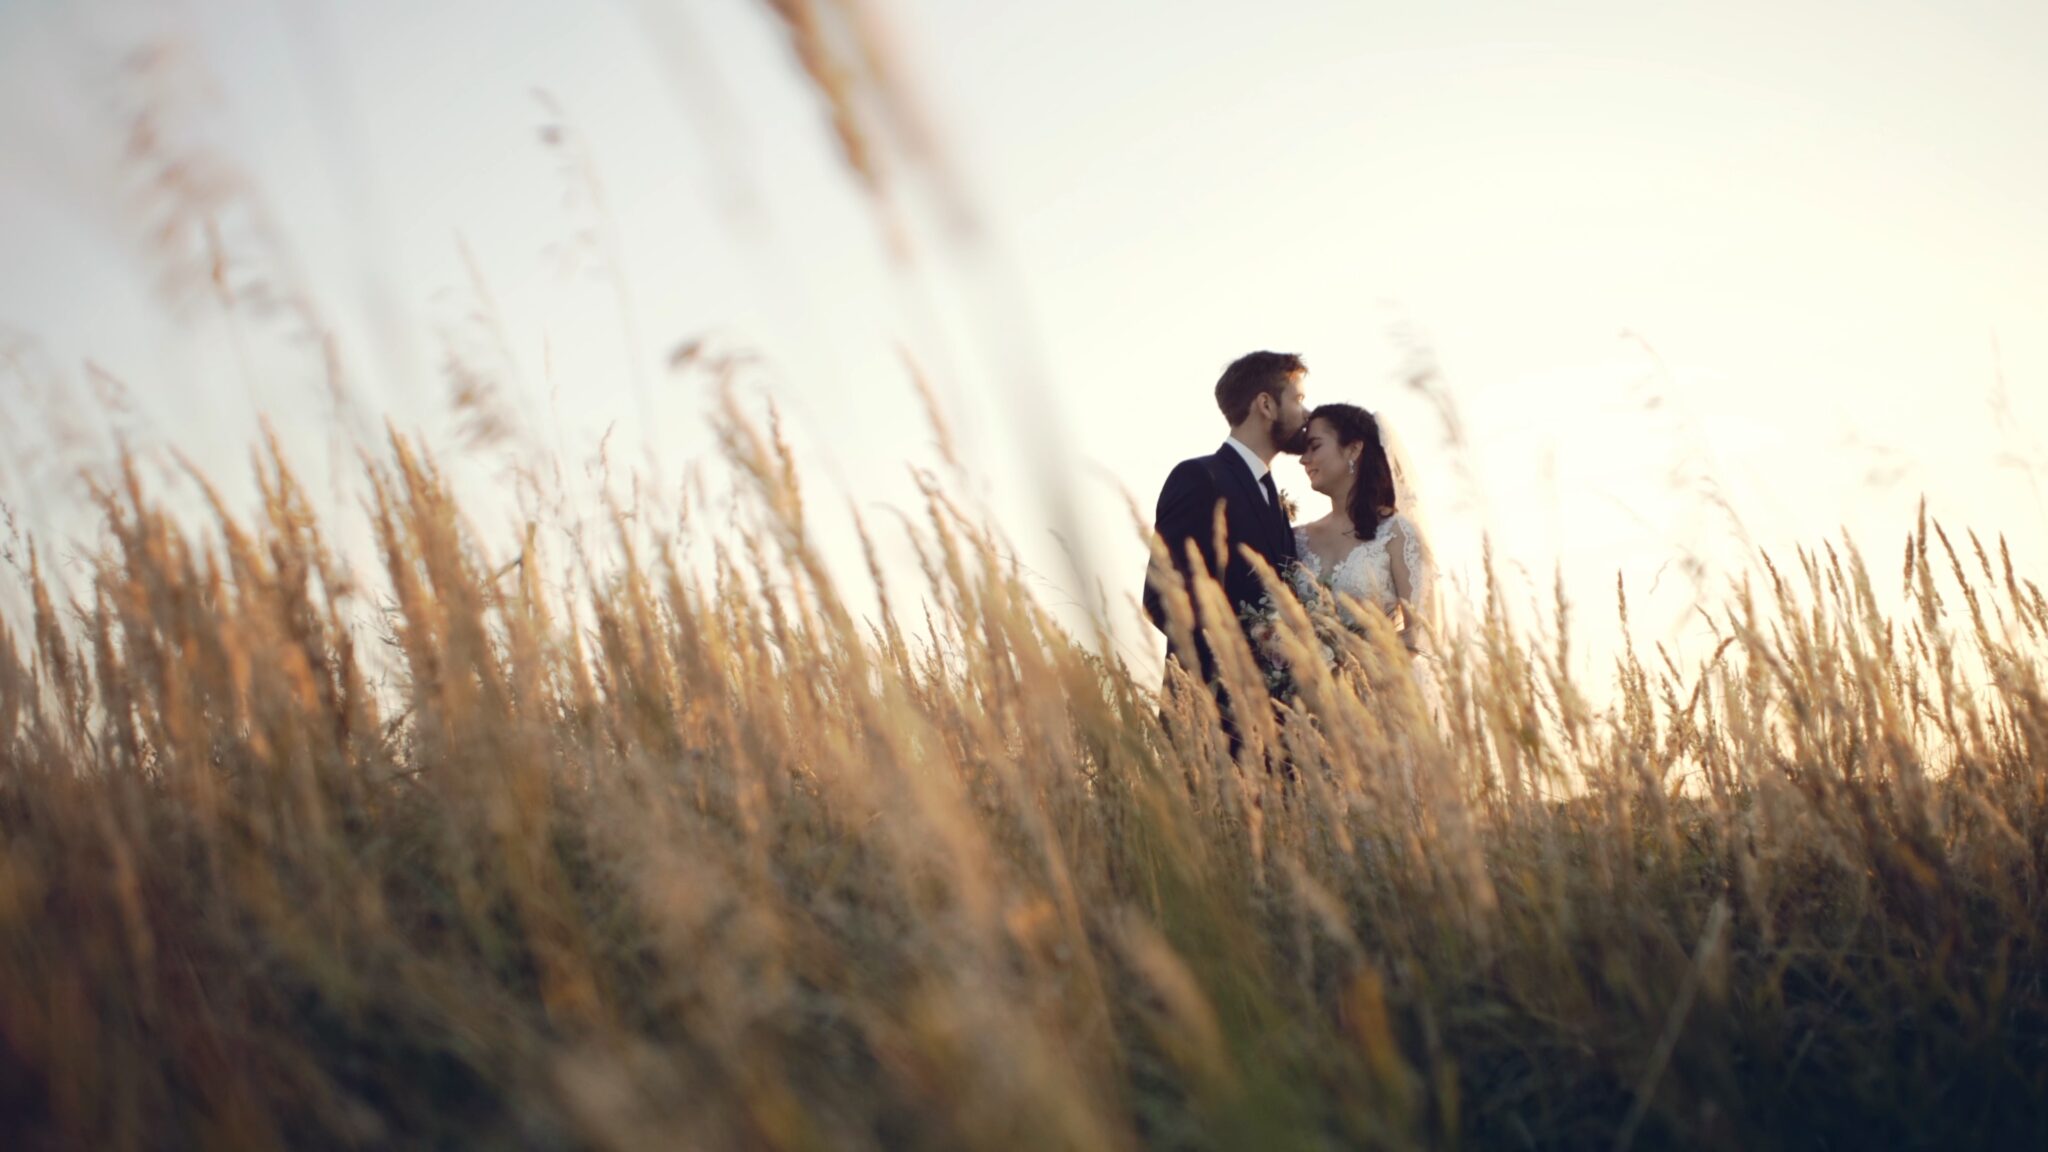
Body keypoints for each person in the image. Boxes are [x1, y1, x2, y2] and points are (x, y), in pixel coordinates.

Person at [1143, 351, 1310, 712]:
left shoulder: (1275, 502)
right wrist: (1251, 651)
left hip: (1278, 727)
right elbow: (1162, 598)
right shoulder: (1199, 479)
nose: (1306, 414)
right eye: (1298, 399)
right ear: (1265, 405)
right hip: (1210, 717)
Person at [1289, 402, 1444, 721]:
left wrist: (1352, 671)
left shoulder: (1397, 533)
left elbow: (1423, 636)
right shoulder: (1295, 539)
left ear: (1354, 449)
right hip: (1309, 714)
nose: (1304, 460)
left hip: (1379, 711)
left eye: (1315, 447)